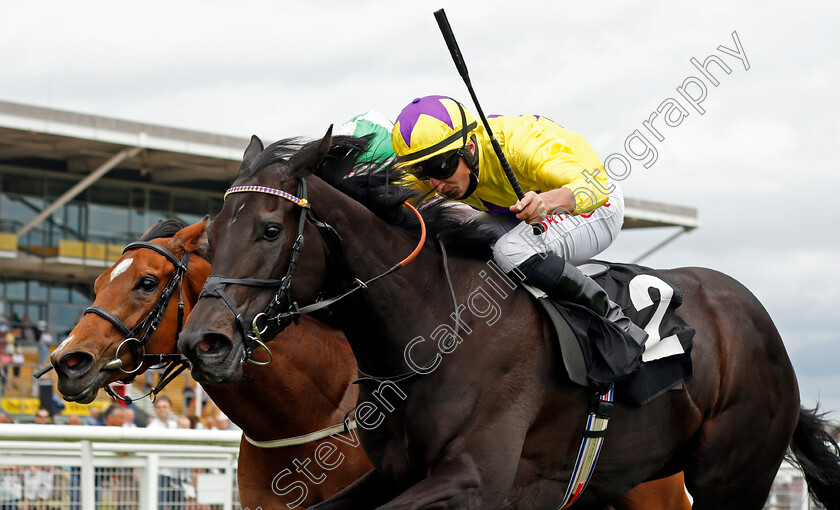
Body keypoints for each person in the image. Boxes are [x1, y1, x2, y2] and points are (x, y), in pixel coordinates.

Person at [391, 95, 647, 381]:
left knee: (510, 250)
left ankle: (615, 322)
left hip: (594, 207)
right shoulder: (437, 170)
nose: (436, 185)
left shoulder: (521, 144)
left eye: (441, 168)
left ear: (470, 149)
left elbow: (596, 187)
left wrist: (547, 203)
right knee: (459, 240)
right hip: (521, 215)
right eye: (421, 172)